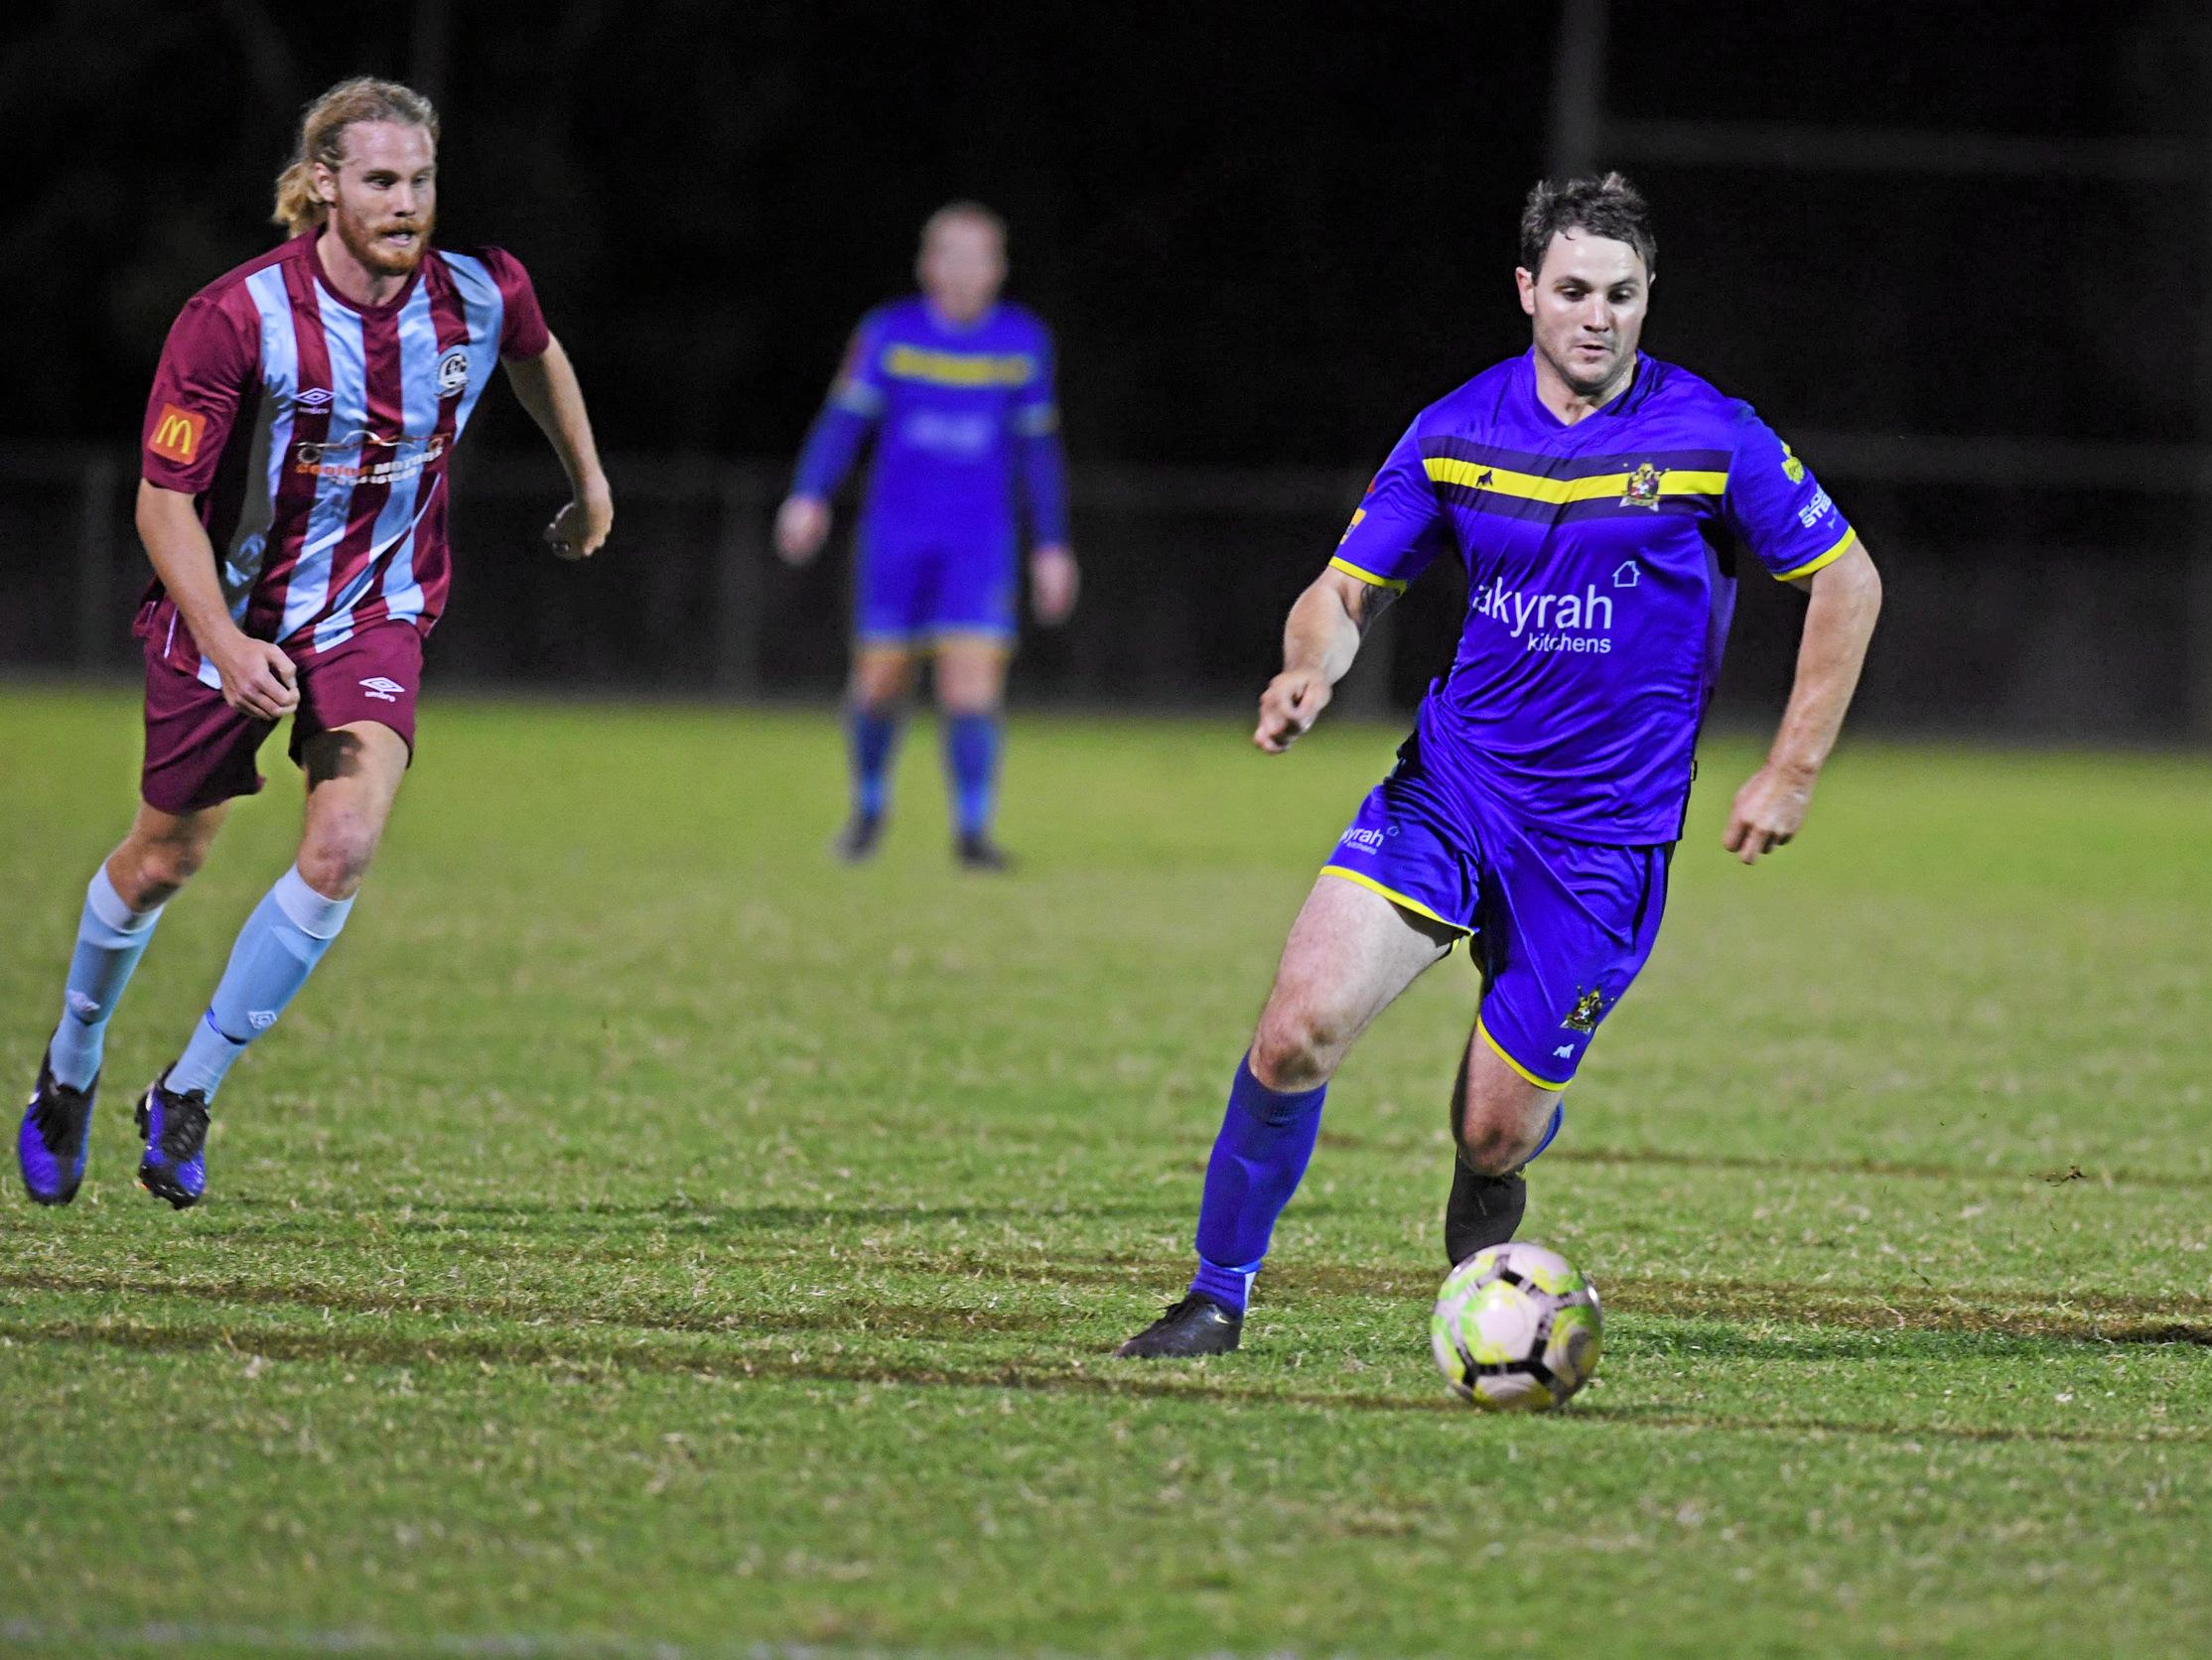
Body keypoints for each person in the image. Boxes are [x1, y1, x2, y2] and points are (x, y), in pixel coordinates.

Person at [1118, 173, 1884, 1357]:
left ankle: (1487, 1197)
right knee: (1296, 1029)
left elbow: (1847, 580)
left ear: (1647, 299)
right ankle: (1215, 1299)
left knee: (1492, 1130)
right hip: (1453, 792)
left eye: (1622, 295)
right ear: (1527, 290)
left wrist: (1792, 769)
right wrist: (1310, 666)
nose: (1598, 316)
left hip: (1602, 843)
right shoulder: (1456, 429)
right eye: (1573, 289)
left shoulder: (1710, 435)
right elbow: (1344, 589)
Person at [17, 76, 611, 1210]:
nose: (407, 203)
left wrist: (588, 484)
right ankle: (69, 1069)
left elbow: (538, 351)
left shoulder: (481, 293)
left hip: (374, 612)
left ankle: (186, 1093)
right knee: (161, 863)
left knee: (343, 846)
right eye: (381, 180)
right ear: (323, 186)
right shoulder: (236, 316)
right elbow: (161, 504)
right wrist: (226, 644)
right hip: (228, 615)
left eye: (421, 180)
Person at [774, 202, 1077, 871]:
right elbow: (842, 423)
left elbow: (1038, 451)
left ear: (999, 269)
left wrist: (1052, 545)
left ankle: (973, 834)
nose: (967, 272)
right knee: (880, 681)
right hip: (895, 538)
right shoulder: (889, 334)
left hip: (980, 542)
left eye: (981, 258)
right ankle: (868, 810)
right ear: (928, 264)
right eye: (953, 256)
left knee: (970, 685)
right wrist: (809, 496)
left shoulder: (1021, 342)